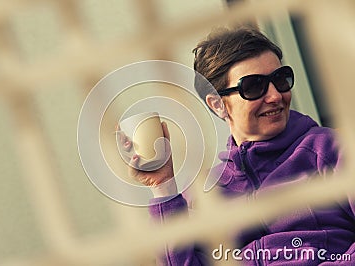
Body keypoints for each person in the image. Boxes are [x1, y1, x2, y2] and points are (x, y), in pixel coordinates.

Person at [120, 27, 355, 265]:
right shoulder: (205, 194)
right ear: (217, 105)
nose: (275, 95)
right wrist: (162, 186)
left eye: (280, 79)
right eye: (254, 87)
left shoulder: (332, 149)